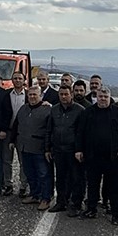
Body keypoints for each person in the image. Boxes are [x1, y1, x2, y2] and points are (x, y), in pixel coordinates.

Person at [75, 86, 118, 222]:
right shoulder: (88, 112)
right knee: (93, 185)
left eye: (105, 97)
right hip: (93, 156)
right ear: (96, 97)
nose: (103, 99)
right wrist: (79, 150)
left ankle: (116, 213)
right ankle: (91, 209)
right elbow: (80, 132)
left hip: (113, 157)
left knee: (114, 186)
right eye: (100, 97)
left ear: (109, 97)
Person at [10, 87, 54, 210]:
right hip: (24, 146)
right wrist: (12, 140)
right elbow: (16, 125)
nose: (32, 97)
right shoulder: (23, 108)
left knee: (43, 174)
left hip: (40, 148)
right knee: (29, 173)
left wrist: (48, 148)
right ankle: (35, 194)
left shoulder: (47, 110)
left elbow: (50, 131)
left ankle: (45, 198)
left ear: (41, 96)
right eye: (30, 95)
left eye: (35, 94)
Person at [48, 85, 85, 215]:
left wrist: (80, 150)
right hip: (58, 149)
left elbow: (82, 133)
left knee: (76, 178)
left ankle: (76, 204)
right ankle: (61, 202)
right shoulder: (54, 110)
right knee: (60, 177)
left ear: (72, 95)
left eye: (66, 94)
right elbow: (49, 130)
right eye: (61, 94)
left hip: (73, 151)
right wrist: (48, 148)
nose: (64, 97)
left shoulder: (80, 110)